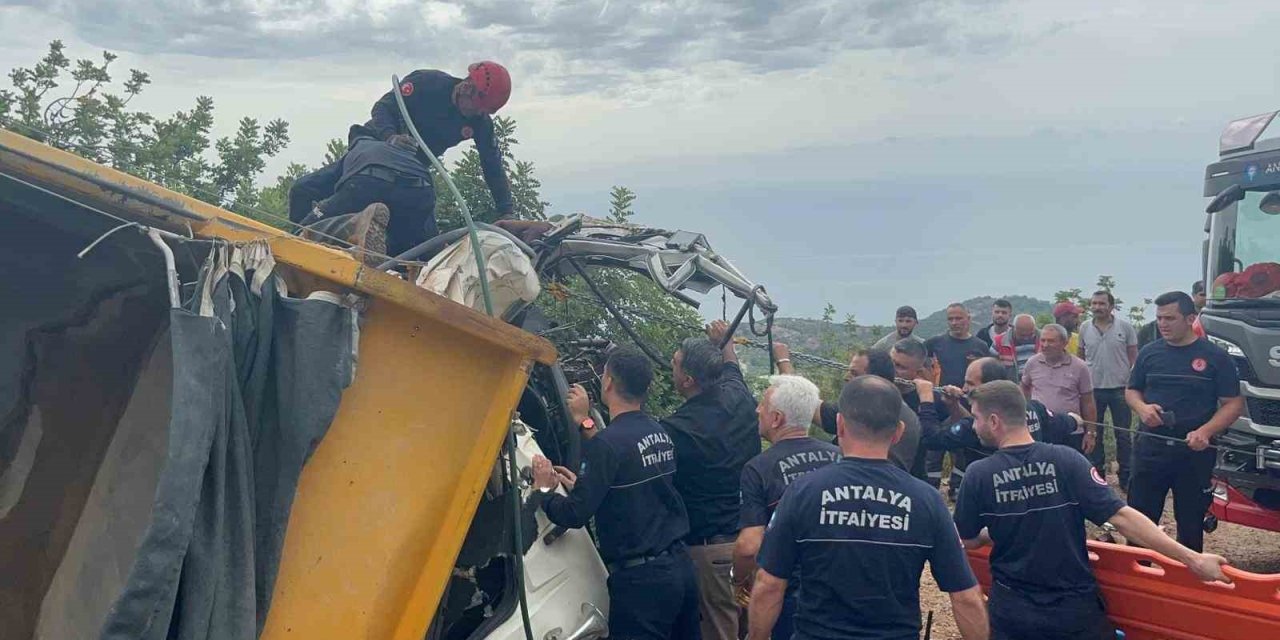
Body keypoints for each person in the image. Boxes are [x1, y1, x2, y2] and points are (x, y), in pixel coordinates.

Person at [954, 381, 1230, 640]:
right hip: (1074, 610)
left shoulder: (979, 475)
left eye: (976, 418)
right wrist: (1191, 558)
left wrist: (991, 534)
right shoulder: (1067, 460)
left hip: (1014, 611)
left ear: (993, 421)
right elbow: (1122, 517)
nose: (974, 427)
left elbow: (964, 539)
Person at [746, 376, 989, 640]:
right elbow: (966, 596)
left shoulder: (803, 492)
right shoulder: (927, 500)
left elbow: (769, 584)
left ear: (839, 425)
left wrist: (756, 636)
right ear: (898, 432)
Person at [530, 347, 700, 640]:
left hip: (642, 585)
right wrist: (587, 482)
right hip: (680, 569)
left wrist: (544, 488)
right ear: (646, 388)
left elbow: (575, 514)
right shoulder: (659, 433)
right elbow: (630, 477)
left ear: (607, 383)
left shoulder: (606, 446)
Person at [290, 62, 545, 254]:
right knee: (302, 190)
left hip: (410, 175)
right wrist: (390, 136)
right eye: (479, 107)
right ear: (467, 87)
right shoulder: (427, 83)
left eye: (486, 111)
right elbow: (382, 107)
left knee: (428, 250)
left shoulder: (479, 121)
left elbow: (492, 165)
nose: (479, 115)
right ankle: (294, 252)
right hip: (371, 151)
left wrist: (507, 211)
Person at [664, 320, 761, 640]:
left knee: (719, 631)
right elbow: (732, 369)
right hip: (751, 539)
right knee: (750, 627)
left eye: (675, 363)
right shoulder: (740, 397)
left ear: (688, 380)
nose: (671, 366)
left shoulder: (679, 428)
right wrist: (726, 344)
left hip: (712, 550)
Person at [1126, 291, 1245, 552]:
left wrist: (1206, 431)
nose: (1163, 324)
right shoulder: (1149, 353)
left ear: (1191, 318)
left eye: (1170, 318)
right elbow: (1131, 390)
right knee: (1139, 520)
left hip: (1194, 451)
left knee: (1190, 522)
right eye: (1159, 318)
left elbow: (1234, 403)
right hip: (1151, 447)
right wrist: (1142, 408)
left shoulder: (1215, 357)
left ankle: (1187, 582)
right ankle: (1137, 580)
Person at [732, 375, 839, 640]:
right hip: (842, 589)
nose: (757, 410)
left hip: (790, 595)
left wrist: (740, 581)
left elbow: (749, 546)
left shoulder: (759, 468)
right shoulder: (840, 456)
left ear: (777, 418)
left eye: (763, 406)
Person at [776, 344, 921, 475]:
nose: (847, 378)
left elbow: (803, 399)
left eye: (854, 374)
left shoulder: (860, 409)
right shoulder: (907, 413)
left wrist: (783, 361)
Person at [292, 133, 435, 258]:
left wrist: (297, 227)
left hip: (368, 181)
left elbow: (302, 187)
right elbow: (428, 230)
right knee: (401, 253)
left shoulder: (361, 149)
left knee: (306, 231)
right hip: (422, 192)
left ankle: (360, 223)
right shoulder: (402, 157)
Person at [919, 357, 1090, 455]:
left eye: (970, 383)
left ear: (989, 386)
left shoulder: (983, 425)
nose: (964, 389)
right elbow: (1059, 422)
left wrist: (926, 399)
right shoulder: (1034, 408)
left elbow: (932, 440)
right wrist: (1075, 420)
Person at [924, 304, 990, 490]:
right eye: (950, 319)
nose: (954, 322)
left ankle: (957, 491)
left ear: (968, 319)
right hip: (939, 408)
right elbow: (921, 366)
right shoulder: (934, 343)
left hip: (967, 410)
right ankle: (931, 490)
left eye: (958, 318)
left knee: (963, 454)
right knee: (933, 454)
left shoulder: (980, 346)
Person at [1078, 290, 1139, 487]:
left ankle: (1126, 476)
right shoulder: (1085, 328)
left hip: (1121, 388)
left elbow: (1133, 357)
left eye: (1102, 303)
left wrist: (1134, 382)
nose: (1097, 307)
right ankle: (1098, 476)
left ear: (1111, 306)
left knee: (1122, 434)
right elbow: (1080, 358)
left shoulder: (1125, 328)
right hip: (1092, 389)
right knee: (1094, 433)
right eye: (1094, 303)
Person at [1021, 324, 1097, 429]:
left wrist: (1091, 432)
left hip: (1070, 429)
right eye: (1043, 340)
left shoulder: (1080, 367)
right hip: (1041, 428)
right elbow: (1024, 387)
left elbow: (1088, 401)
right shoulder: (1032, 362)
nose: (1045, 345)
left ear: (1064, 343)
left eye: (1051, 341)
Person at [990, 314, 1040, 379]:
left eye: (1030, 334)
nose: (1026, 338)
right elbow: (991, 368)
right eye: (1022, 335)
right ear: (1014, 328)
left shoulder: (1045, 340)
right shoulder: (999, 342)